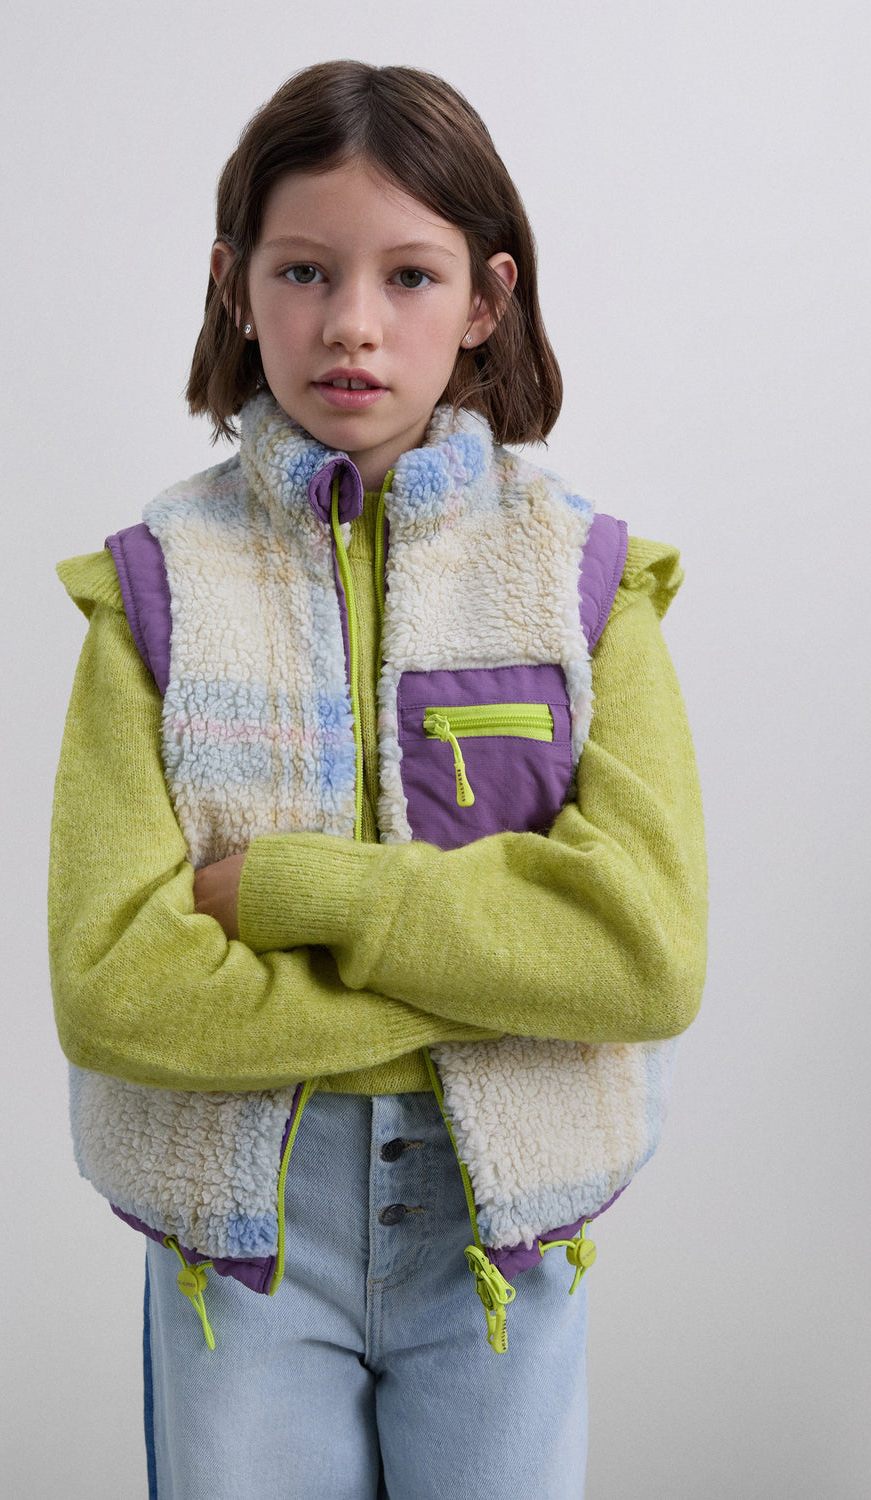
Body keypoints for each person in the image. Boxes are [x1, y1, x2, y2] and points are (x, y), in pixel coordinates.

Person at [48, 60, 707, 1500]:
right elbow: (112, 987)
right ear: (235, 285)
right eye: (305, 270)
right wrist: (514, 972)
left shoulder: (588, 585)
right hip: (244, 1241)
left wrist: (302, 892)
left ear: (485, 299)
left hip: (501, 1231)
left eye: (410, 275)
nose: (353, 321)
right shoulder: (153, 592)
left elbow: (649, 956)